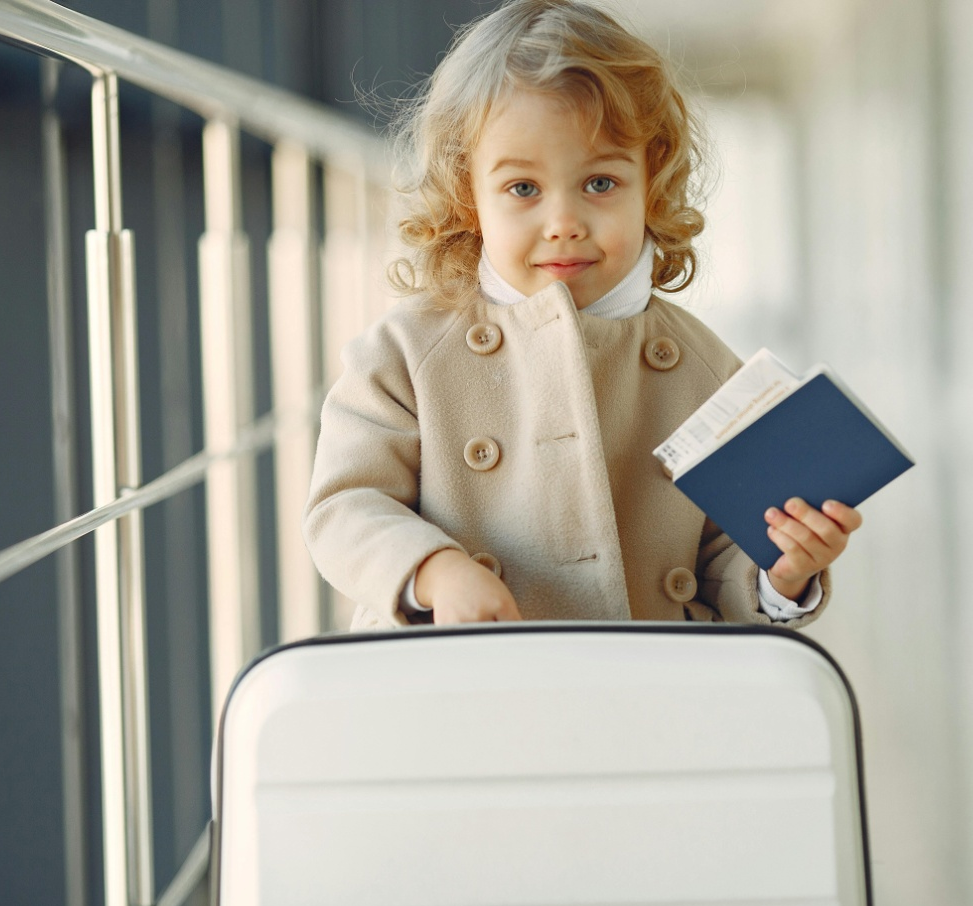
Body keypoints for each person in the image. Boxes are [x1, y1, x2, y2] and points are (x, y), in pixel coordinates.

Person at [303, 0, 863, 628]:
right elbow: (344, 506)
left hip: (642, 697)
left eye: (600, 183)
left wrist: (781, 571)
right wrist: (434, 570)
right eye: (523, 189)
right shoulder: (404, 353)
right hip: (457, 685)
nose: (564, 223)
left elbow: (725, 561)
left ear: (650, 182)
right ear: (468, 195)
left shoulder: (708, 371)